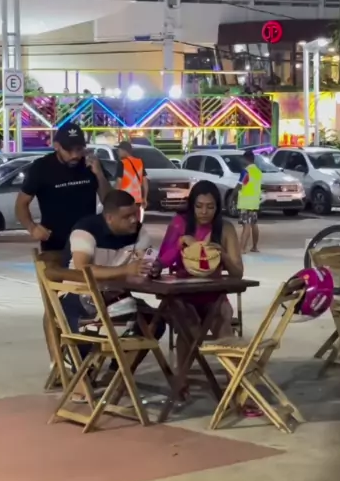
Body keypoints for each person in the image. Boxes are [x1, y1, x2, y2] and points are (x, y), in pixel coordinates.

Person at [44, 189, 165, 375]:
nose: (134, 220)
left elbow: (142, 263)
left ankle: (118, 374)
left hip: (116, 297)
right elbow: (83, 268)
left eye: (135, 214)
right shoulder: (85, 230)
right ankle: (80, 372)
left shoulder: (139, 232)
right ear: (109, 218)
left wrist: (152, 268)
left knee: (155, 323)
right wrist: (125, 270)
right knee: (87, 325)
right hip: (78, 293)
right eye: (127, 216)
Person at [156, 180, 243, 364]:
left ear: (217, 208)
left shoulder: (225, 228)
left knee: (223, 326)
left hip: (214, 295)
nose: (204, 212)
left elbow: (238, 273)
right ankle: (183, 376)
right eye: (199, 206)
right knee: (190, 328)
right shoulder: (179, 224)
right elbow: (161, 261)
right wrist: (180, 244)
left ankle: (235, 379)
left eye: (210, 207)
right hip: (181, 294)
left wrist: (222, 254)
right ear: (192, 206)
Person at [15, 123, 111, 252]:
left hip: (88, 242)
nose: (75, 155)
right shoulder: (41, 168)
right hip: (55, 245)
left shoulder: (91, 165)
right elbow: (21, 204)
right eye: (68, 150)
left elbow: (109, 201)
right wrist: (32, 227)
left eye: (79, 149)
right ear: (56, 146)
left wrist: (99, 175)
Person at [235, 150, 262, 253]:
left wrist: (233, 195)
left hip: (245, 202)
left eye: (243, 159)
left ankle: (242, 248)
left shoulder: (246, 171)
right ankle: (255, 247)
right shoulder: (258, 172)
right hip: (254, 202)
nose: (242, 161)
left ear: (246, 159)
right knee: (254, 224)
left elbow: (239, 185)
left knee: (246, 225)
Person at [116, 141, 149, 218]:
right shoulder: (139, 162)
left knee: (125, 220)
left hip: (125, 199)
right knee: (135, 220)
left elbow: (119, 183)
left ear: (124, 151)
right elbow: (145, 182)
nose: (118, 153)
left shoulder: (122, 163)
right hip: (137, 200)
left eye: (119, 150)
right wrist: (145, 198)